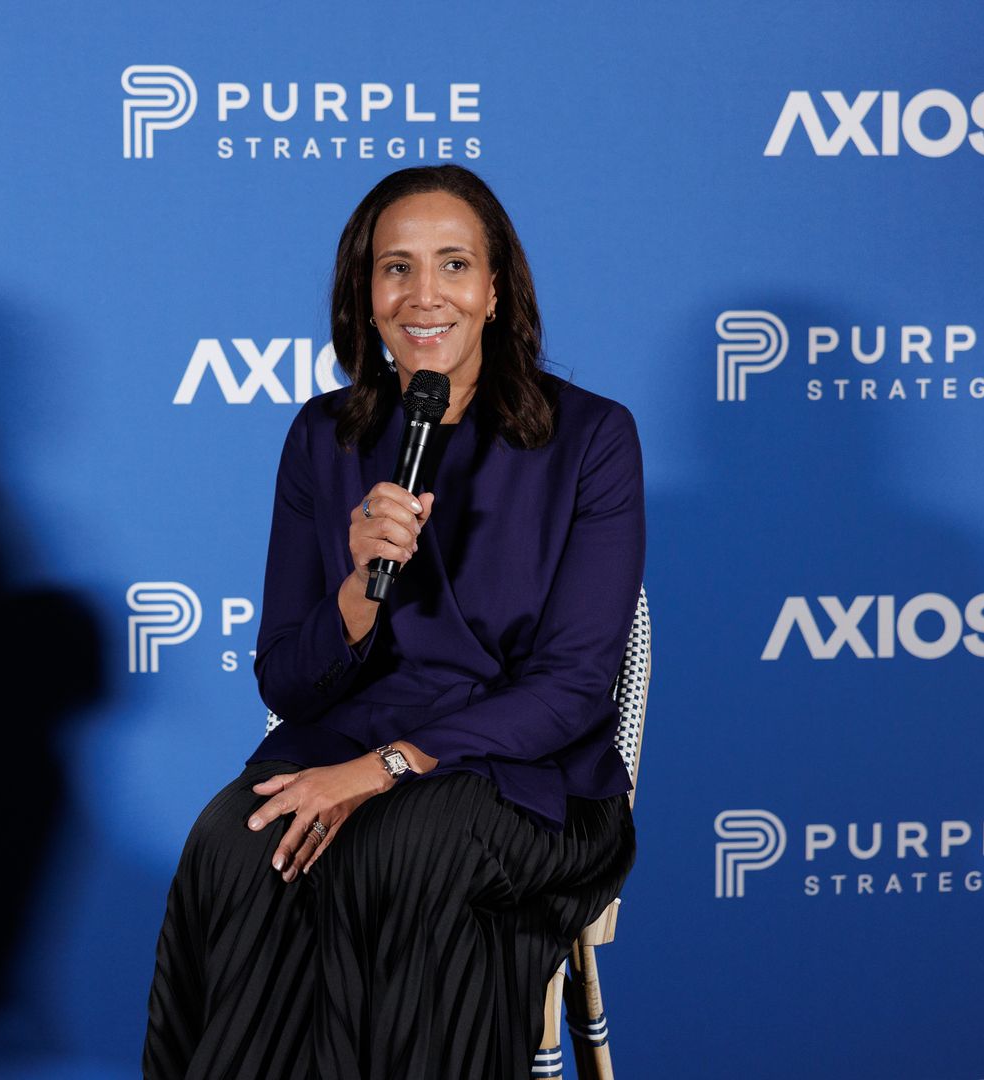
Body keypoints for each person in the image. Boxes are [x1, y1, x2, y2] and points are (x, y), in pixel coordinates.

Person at [144, 164, 642, 1079]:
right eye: (395, 268)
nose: (425, 296)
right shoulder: (322, 436)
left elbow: (573, 690)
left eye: (454, 265)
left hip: (530, 779)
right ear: (363, 296)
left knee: (405, 847)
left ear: (496, 291)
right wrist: (356, 593)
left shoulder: (593, 439)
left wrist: (382, 772)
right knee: (236, 840)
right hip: (347, 747)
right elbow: (286, 682)